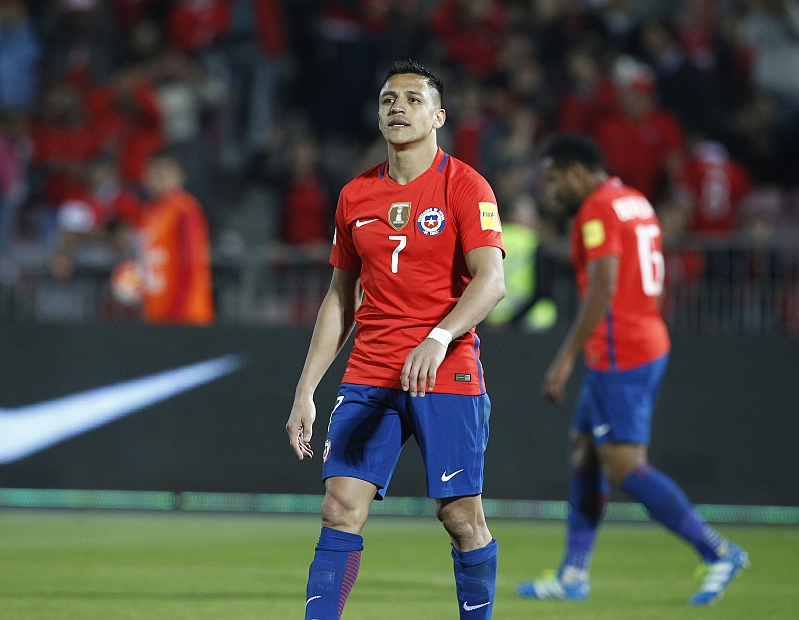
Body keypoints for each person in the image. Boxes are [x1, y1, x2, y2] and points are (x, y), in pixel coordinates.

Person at [285, 59, 506, 620]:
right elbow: (339, 299)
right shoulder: (355, 196)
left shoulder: (465, 185)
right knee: (339, 506)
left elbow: (492, 281)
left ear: (438, 115)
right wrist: (306, 389)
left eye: (411, 99)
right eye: (388, 100)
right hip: (370, 372)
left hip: (447, 370)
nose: (397, 108)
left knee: (460, 517)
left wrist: (439, 337)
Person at [515, 134, 749, 606]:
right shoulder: (634, 201)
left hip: (620, 349)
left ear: (579, 171)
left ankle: (718, 551)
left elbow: (604, 283)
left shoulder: (598, 208)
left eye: (556, 179)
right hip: (644, 336)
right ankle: (573, 574)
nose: (554, 190)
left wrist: (565, 356)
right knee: (584, 448)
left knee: (624, 467)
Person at [137, 151, 214, 325]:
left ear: (179, 176)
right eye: (154, 174)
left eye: (164, 174)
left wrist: (175, 313)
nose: (158, 179)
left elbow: (191, 262)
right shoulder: (148, 213)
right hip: (156, 311)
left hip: (184, 314)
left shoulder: (185, 209)